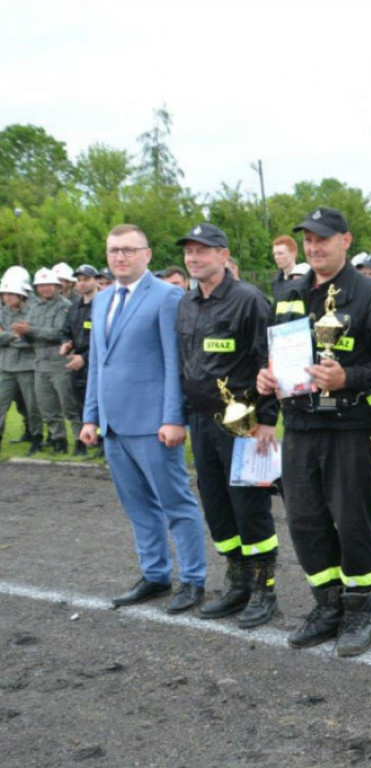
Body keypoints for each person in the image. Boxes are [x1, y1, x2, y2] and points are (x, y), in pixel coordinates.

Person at [256, 206, 371, 656]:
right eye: (309, 240)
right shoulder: (291, 294)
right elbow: (277, 354)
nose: (315, 246)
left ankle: (359, 611)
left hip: (351, 427)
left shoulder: (370, 295)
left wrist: (349, 377)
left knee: (354, 522)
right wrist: (267, 379)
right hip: (300, 426)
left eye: (324, 238)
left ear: (345, 240)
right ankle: (327, 605)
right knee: (305, 521)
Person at [80, 224, 206, 613]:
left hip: (154, 424)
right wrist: (91, 416)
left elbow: (175, 363)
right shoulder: (102, 300)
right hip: (114, 425)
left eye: (129, 250)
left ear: (147, 255)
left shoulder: (167, 297)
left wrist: (173, 418)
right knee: (137, 506)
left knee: (175, 503)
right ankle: (154, 574)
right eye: (114, 250)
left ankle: (192, 579)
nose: (120, 257)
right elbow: (99, 364)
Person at [176, 223, 280, 628]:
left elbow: (268, 362)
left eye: (203, 251)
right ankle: (237, 583)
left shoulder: (249, 301)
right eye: (189, 251)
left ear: (224, 255)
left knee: (250, 507)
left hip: (245, 426)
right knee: (217, 505)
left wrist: (267, 420)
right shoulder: (185, 304)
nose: (194, 258)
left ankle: (264, 587)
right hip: (201, 423)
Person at [15, 268, 76, 453]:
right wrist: (22, 334)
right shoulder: (34, 307)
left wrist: (30, 331)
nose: (45, 288)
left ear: (57, 286)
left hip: (59, 360)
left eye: (49, 285)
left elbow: (59, 332)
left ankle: (81, 441)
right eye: (41, 285)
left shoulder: (65, 305)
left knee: (68, 404)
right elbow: (29, 335)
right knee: (47, 406)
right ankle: (59, 440)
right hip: (39, 360)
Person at [0, 274, 43, 453]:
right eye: (4, 294)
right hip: (5, 366)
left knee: (32, 406)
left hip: (27, 366)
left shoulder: (32, 313)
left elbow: (31, 340)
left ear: (20, 296)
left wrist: (7, 336)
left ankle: (36, 438)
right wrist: (14, 335)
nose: (6, 297)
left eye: (10, 294)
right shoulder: (1, 313)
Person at [60, 264, 99, 456]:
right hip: (77, 364)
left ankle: (103, 443)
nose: (82, 284)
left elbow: (105, 340)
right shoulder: (74, 308)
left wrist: (84, 358)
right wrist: (66, 343)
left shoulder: (103, 304)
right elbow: (65, 331)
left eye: (86, 279)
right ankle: (84, 440)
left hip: (97, 363)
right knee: (79, 403)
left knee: (100, 403)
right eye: (80, 280)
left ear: (95, 280)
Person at [271, 235, 301, 302]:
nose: (276, 257)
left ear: (293, 254)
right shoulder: (276, 282)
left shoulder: (304, 279)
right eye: (274, 254)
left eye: (280, 253)